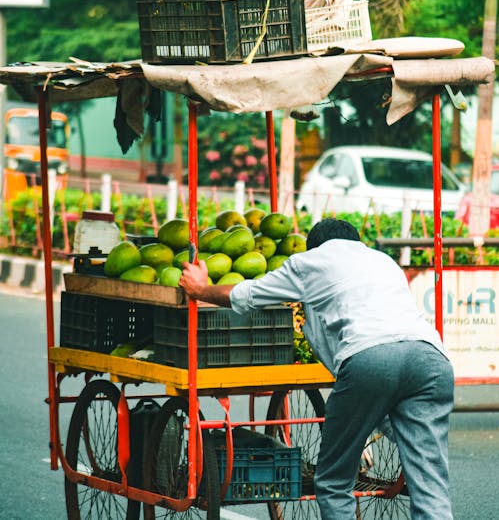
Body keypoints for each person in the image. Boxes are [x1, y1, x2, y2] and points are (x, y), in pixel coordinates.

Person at [180, 217, 455, 519]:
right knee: (430, 483)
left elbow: (250, 294)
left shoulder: (309, 262)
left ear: (314, 247)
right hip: (432, 358)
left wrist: (202, 289)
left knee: (334, 481)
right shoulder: (383, 261)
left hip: (371, 357)